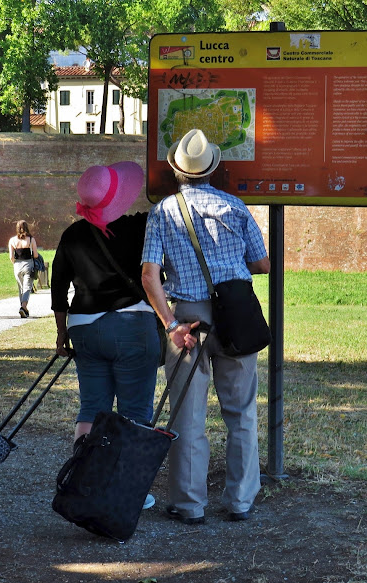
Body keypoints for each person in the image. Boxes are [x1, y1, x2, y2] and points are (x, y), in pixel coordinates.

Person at [141, 128, 271, 525]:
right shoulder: (235, 206)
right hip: (235, 313)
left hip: (188, 320)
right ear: (212, 168)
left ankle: (190, 504)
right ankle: (241, 500)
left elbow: (150, 276)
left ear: (176, 170)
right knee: (241, 413)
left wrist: (170, 324)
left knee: (187, 416)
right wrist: (230, 268)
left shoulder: (163, 211)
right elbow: (263, 264)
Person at [51, 161, 160, 510]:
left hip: (84, 328)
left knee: (91, 409)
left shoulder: (71, 235)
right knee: (134, 412)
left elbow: (58, 290)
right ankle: (129, 491)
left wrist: (61, 334)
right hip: (132, 325)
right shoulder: (139, 227)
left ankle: (83, 480)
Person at [8, 220, 38, 318]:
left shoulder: (12, 240)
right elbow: (35, 255)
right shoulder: (31, 239)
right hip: (28, 264)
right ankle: (24, 306)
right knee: (27, 287)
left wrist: (15, 263)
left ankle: (23, 309)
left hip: (17, 266)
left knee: (21, 288)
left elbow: (11, 257)